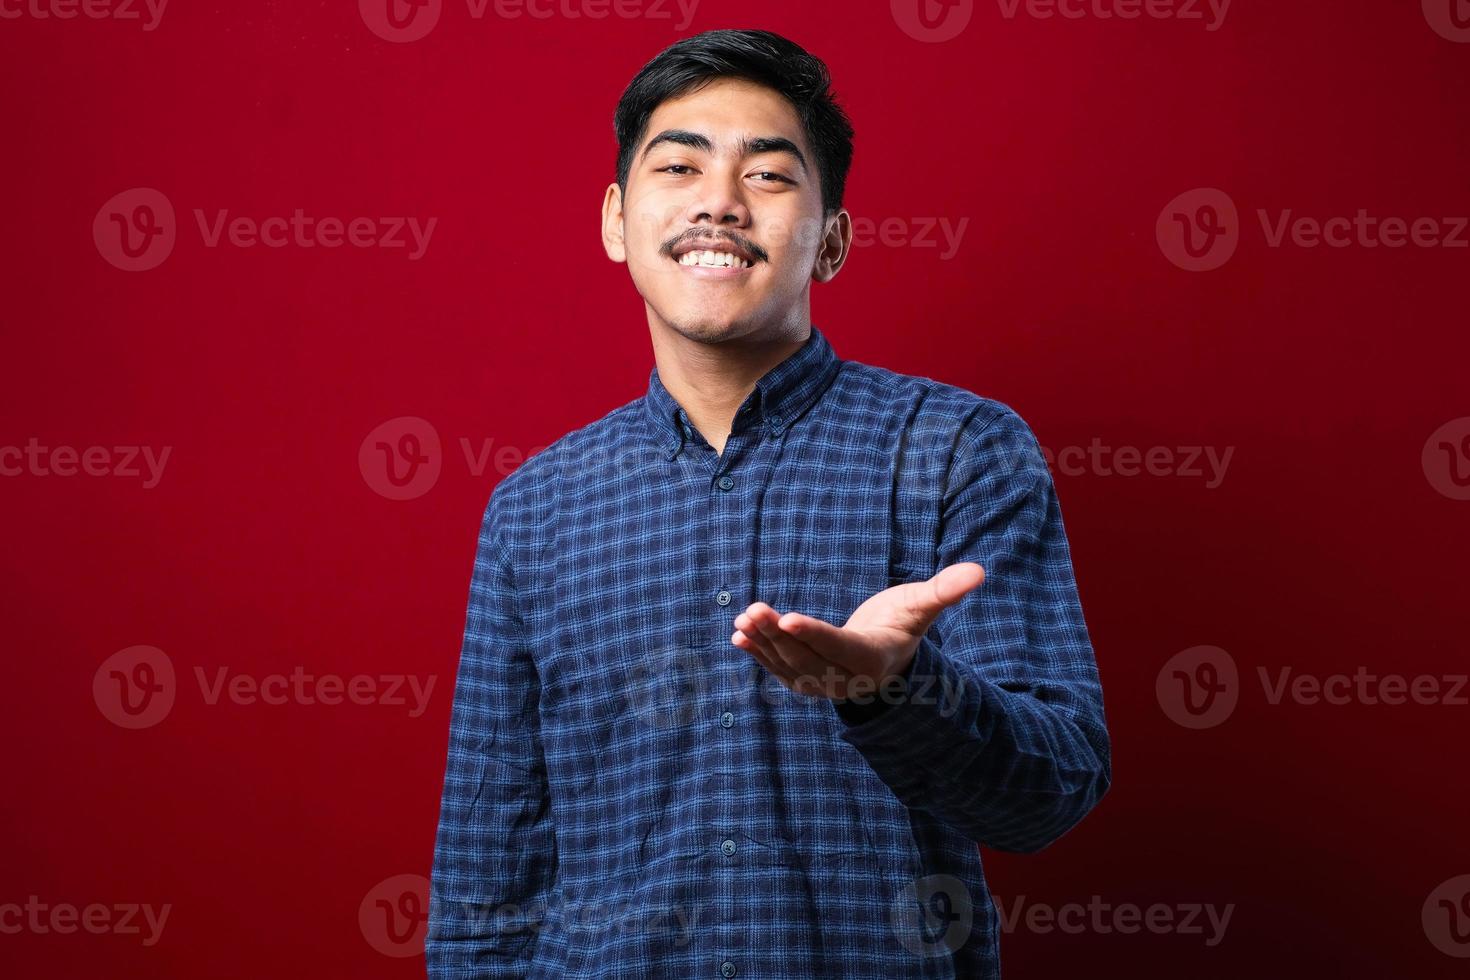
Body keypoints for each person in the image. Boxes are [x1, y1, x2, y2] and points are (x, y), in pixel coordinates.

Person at [427, 28, 1111, 979]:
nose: (719, 202)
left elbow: (1055, 791)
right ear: (616, 221)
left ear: (830, 239)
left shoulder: (960, 450)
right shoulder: (534, 508)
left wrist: (892, 692)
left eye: (770, 176)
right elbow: (485, 882)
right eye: (680, 165)